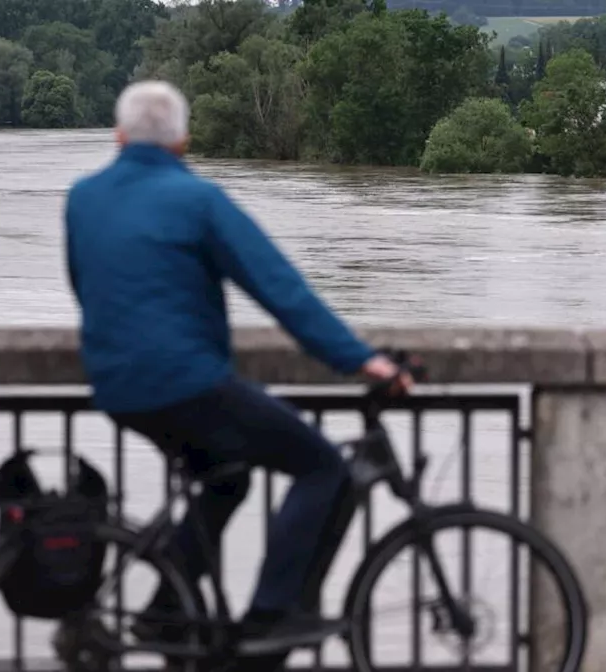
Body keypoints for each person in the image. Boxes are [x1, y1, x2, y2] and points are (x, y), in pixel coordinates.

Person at [63, 80, 412, 648]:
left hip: (116, 387)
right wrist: (361, 361)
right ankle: (272, 614)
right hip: (188, 385)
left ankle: (164, 608)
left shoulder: (83, 197)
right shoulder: (199, 201)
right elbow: (282, 291)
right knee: (321, 465)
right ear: (183, 142)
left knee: (227, 481)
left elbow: (86, 286)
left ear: (119, 136)